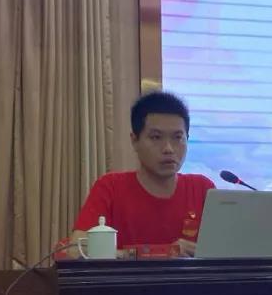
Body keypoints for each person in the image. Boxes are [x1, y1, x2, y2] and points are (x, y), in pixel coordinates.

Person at [68, 91, 215, 258]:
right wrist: (156, 254)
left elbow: (227, 251)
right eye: (156, 137)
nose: (168, 148)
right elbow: (75, 250)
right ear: (134, 141)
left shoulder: (202, 189)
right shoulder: (111, 187)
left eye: (177, 138)